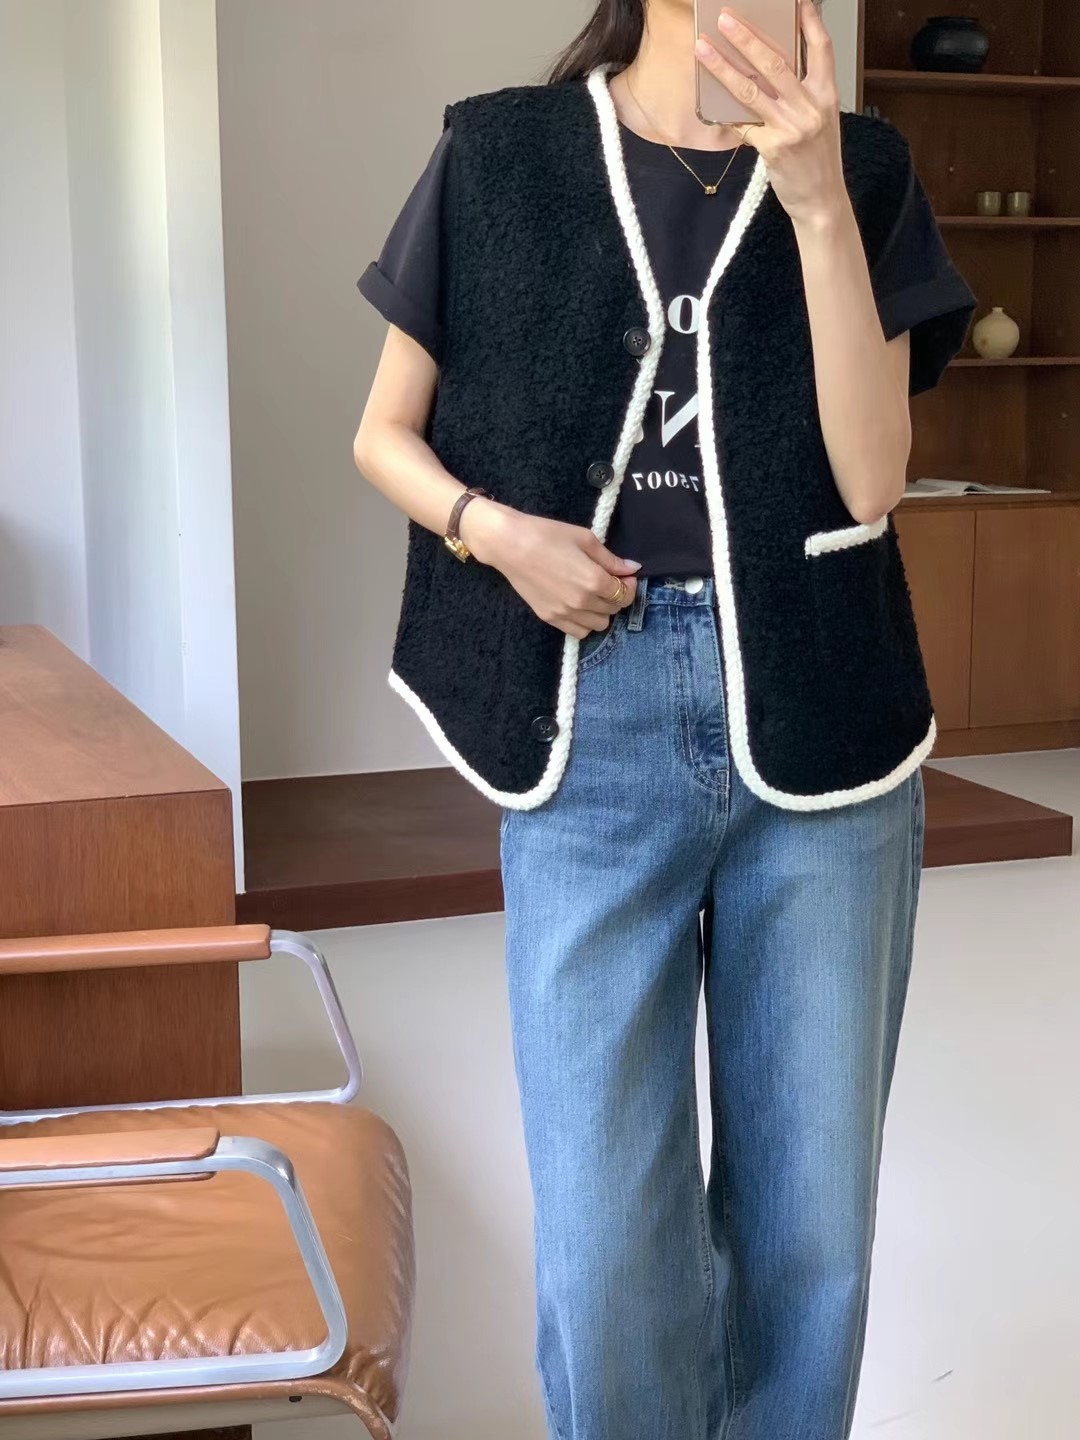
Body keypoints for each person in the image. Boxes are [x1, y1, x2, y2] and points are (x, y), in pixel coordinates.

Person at [354, 1, 975, 1435]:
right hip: (588, 725)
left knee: (809, 1236)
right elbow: (382, 433)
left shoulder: (864, 167)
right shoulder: (501, 153)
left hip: (823, 723)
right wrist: (496, 533)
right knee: (604, 1248)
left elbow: (873, 480)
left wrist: (817, 202)